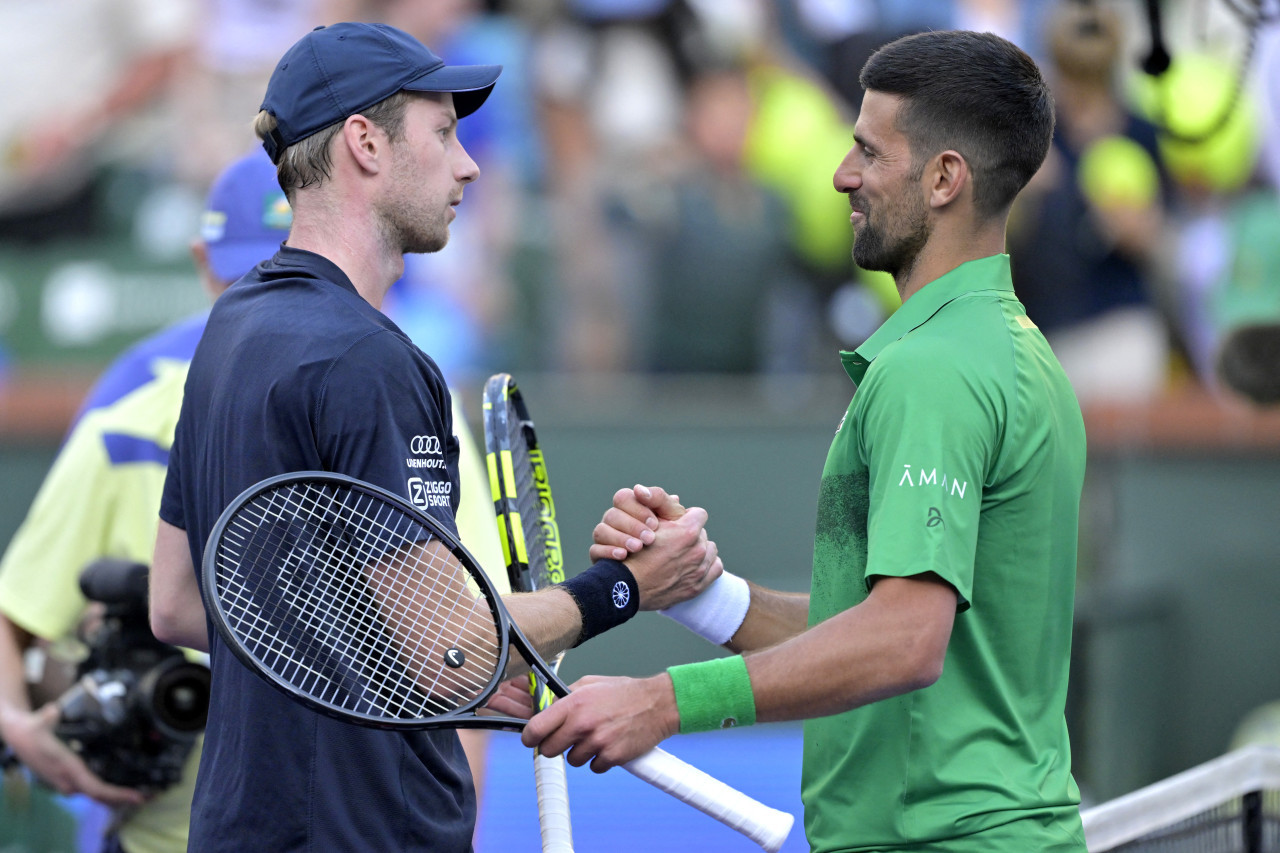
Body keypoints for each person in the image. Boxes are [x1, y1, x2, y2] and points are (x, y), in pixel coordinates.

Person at [147, 22, 720, 852]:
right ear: (365, 144)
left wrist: (379, 661)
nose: (469, 163)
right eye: (444, 133)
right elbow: (447, 651)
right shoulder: (371, 359)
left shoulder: (229, 327)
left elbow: (178, 601)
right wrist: (628, 585)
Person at [524, 30, 1089, 853]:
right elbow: (877, 631)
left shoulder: (933, 370)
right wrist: (699, 592)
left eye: (867, 150)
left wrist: (662, 700)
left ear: (944, 179)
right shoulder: (1014, 351)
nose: (841, 174)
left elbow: (902, 639)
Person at [0, 150, 290, 853]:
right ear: (201, 263)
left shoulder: (409, 411)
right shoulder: (128, 418)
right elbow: (15, 615)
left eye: (291, 269)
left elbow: (458, 662)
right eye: (245, 271)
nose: (268, 294)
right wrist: (18, 727)